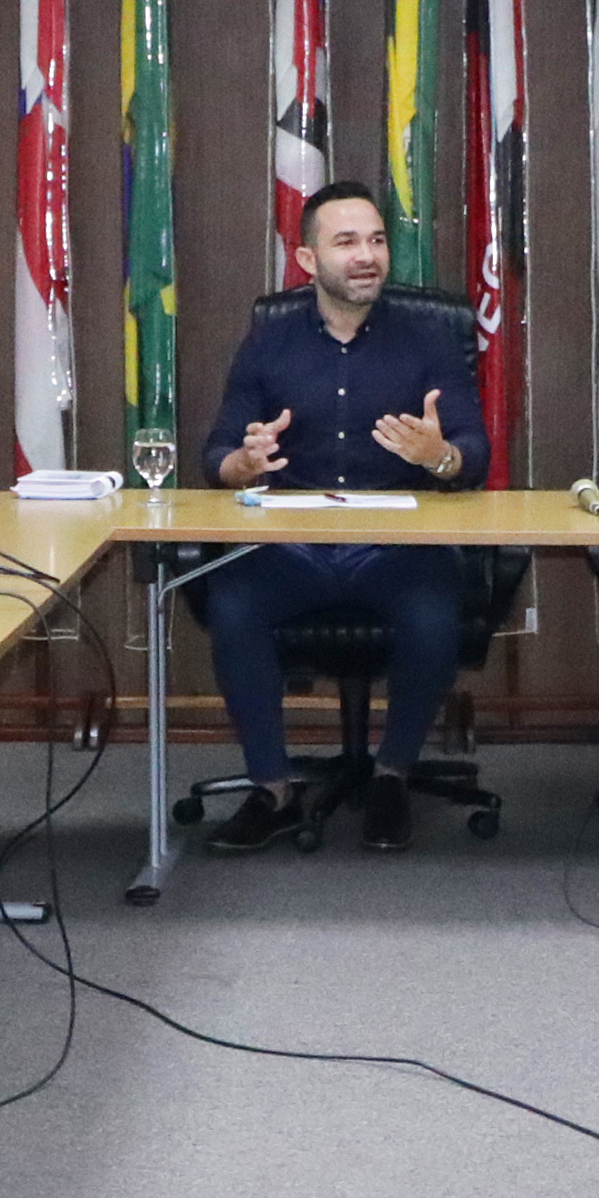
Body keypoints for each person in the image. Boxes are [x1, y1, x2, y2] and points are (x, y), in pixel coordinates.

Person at [193, 182, 485, 857]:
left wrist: (440, 457)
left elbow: (475, 453)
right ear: (306, 258)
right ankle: (273, 788)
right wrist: (246, 459)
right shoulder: (268, 342)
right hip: (292, 545)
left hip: (395, 545)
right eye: (347, 241)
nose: (367, 256)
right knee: (233, 605)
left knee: (436, 613)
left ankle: (392, 774)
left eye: (377, 240)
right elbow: (219, 457)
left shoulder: (430, 341)